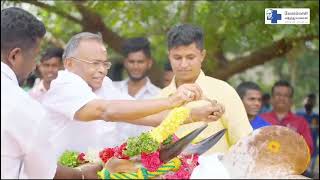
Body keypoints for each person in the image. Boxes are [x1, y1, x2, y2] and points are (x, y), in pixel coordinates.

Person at [41, 32, 225, 157]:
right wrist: (172, 100)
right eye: (94, 63)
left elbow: (146, 115)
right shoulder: (64, 83)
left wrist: (194, 115)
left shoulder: (105, 84)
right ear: (69, 64)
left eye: (105, 64)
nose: (101, 70)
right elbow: (105, 111)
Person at [1, 7, 101, 179]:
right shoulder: (23, 106)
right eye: (34, 57)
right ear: (15, 56)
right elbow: (43, 173)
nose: (34, 67)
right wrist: (82, 175)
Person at [158, 24, 253, 155]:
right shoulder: (159, 99)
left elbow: (245, 144)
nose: (184, 64)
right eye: (177, 58)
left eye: (190, 57)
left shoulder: (224, 91)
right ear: (169, 56)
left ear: (202, 55)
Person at [260, 80, 314, 155]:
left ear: (291, 100)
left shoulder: (301, 122)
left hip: (292, 165)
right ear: (271, 98)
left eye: (286, 95)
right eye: (278, 95)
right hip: (263, 164)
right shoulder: (260, 119)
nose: (282, 98)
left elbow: (309, 149)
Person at [297, 93, 319, 176]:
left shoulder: (316, 117)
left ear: (314, 103)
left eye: (312, 101)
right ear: (303, 101)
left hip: (312, 151)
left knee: (309, 174)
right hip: (299, 150)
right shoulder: (298, 115)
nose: (309, 103)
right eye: (308, 100)